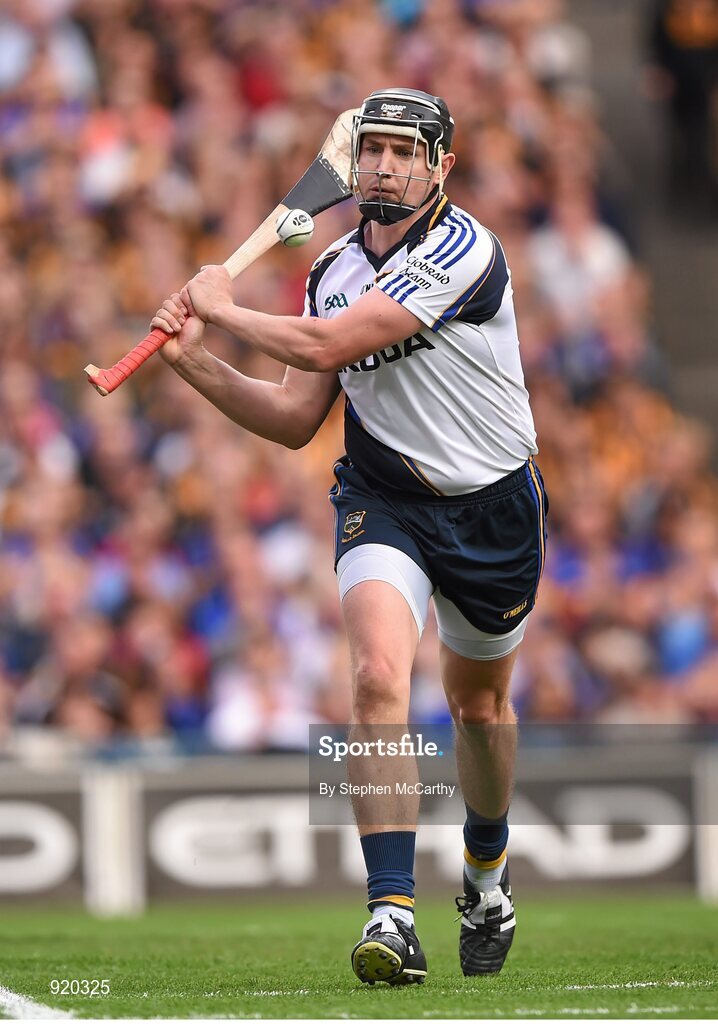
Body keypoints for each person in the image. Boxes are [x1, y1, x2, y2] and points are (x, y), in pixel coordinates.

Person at [151, 87, 548, 985]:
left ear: (441, 166)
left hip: (492, 507)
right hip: (384, 498)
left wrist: (222, 306)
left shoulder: (463, 250)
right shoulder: (328, 267)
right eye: (374, 149)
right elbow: (297, 418)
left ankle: (486, 873)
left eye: (409, 152)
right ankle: (392, 913)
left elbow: (331, 345)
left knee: (479, 709)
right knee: (375, 675)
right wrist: (194, 362)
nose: (385, 165)